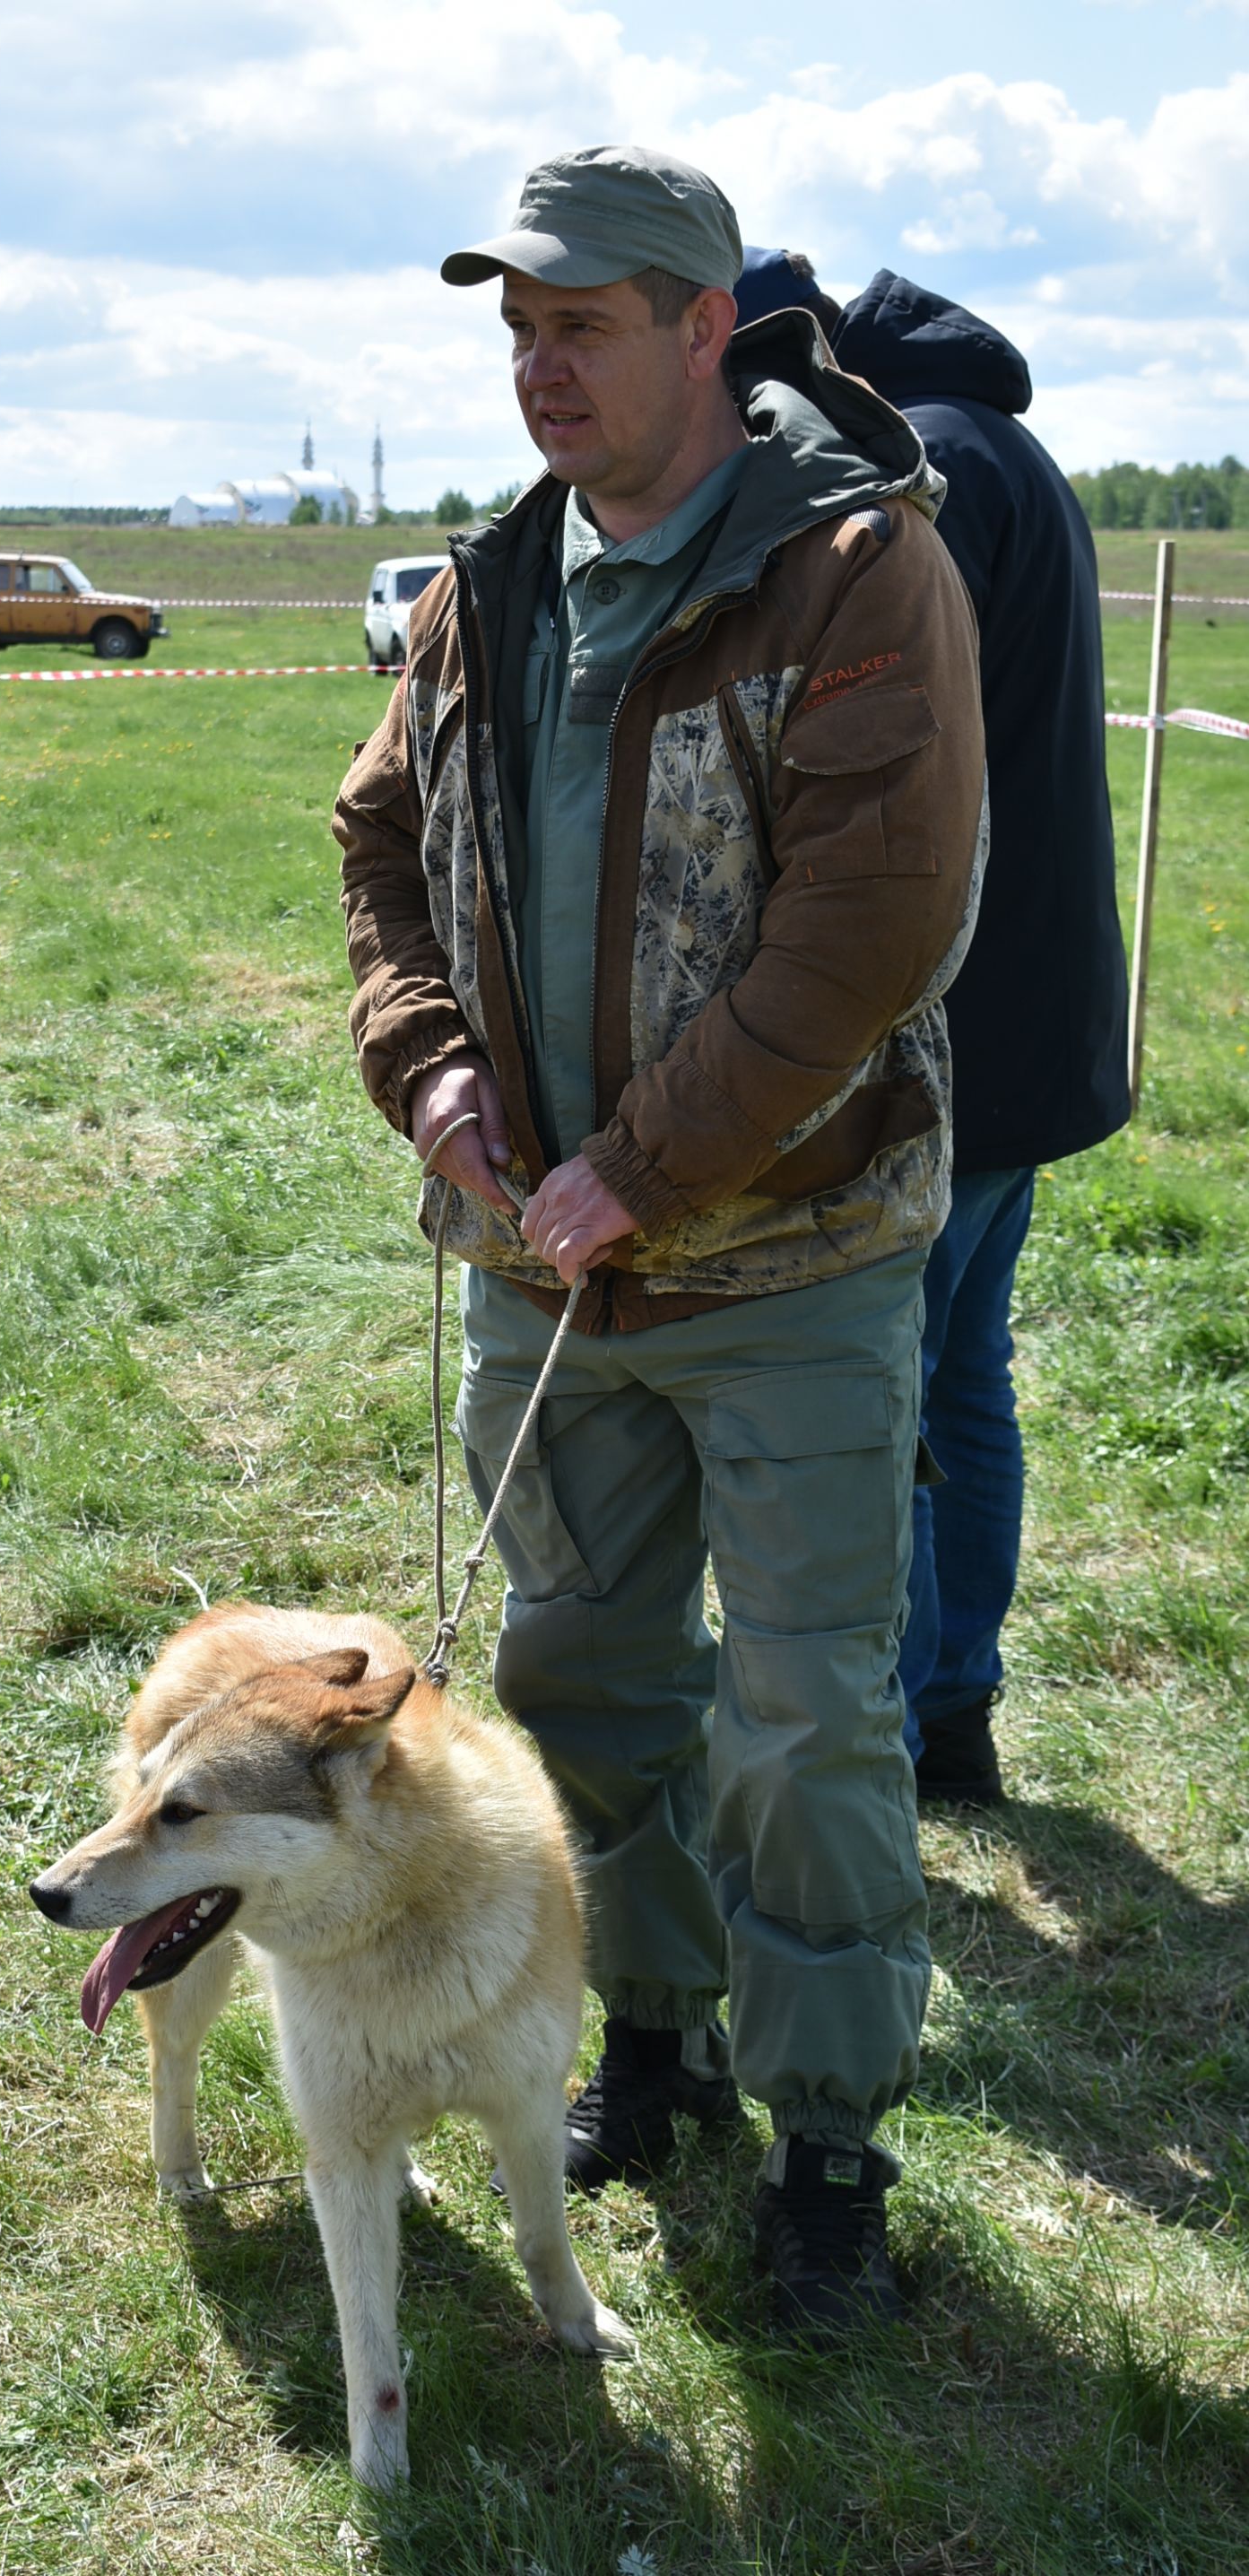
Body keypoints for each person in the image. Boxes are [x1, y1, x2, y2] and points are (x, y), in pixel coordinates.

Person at [334, 145, 986, 2336]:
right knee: (581, 1689)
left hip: (793, 1262)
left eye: (581, 323)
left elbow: (875, 924)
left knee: (805, 1721)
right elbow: (378, 836)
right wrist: (430, 1072)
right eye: (514, 326)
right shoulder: (492, 582)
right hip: (546, 1275)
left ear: (706, 325)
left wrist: (655, 1161)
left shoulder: (858, 570)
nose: (538, 366)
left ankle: (829, 2145)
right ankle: (656, 2040)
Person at [733, 251, 1132, 1804]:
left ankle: (901, 1725)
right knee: (967, 1369)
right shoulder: (996, 442)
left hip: (956, 1021)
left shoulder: (936, 469)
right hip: (1032, 1010)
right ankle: (952, 1707)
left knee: (891, 1387)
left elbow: (871, 730)